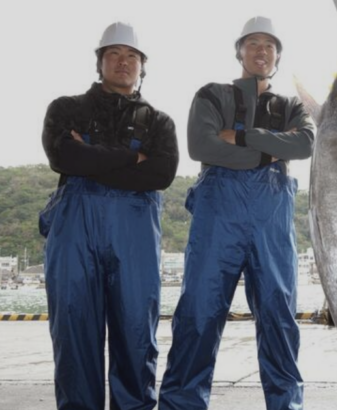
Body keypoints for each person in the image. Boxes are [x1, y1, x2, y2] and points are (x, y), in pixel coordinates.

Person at [159, 16, 314, 410]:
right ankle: (181, 404)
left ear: (277, 56)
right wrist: (271, 150)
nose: (261, 51)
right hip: (218, 215)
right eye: (253, 44)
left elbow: (306, 145)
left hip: (272, 217)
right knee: (198, 314)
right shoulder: (212, 94)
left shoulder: (291, 105)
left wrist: (243, 139)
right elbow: (203, 147)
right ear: (239, 51)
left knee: (279, 318)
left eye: (269, 45)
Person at [39, 22, 179, 410]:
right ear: (99, 62)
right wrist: (132, 157)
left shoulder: (159, 122)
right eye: (114, 54)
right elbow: (63, 157)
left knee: (136, 333)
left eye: (131, 55)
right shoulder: (66, 108)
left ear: (142, 66)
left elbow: (161, 173)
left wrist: (92, 156)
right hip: (74, 231)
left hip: (134, 234)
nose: (123, 62)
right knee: (73, 332)